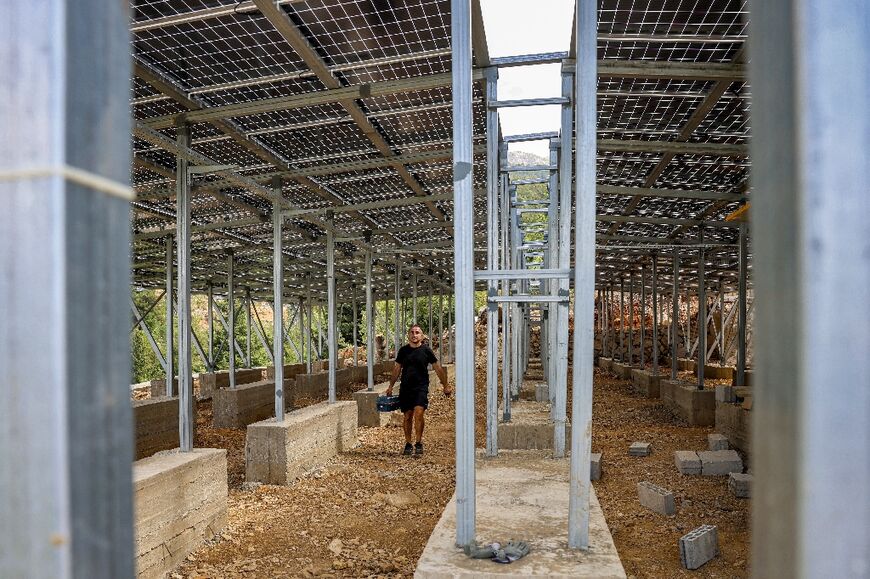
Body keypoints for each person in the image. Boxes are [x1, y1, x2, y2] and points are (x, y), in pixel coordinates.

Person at [386, 324, 451, 456]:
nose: (414, 335)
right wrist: (391, 386)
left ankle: (419, 442)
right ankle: (408, 443)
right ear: (408, 335)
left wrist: (445, 385)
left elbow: (437, 368)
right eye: (412, 332)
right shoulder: (403, 351)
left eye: (417, 332)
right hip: (406, 387)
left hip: (421, 387)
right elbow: (397, 368)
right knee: (407, 416)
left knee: (419, 413)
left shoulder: (426, 351)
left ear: (422, 336)